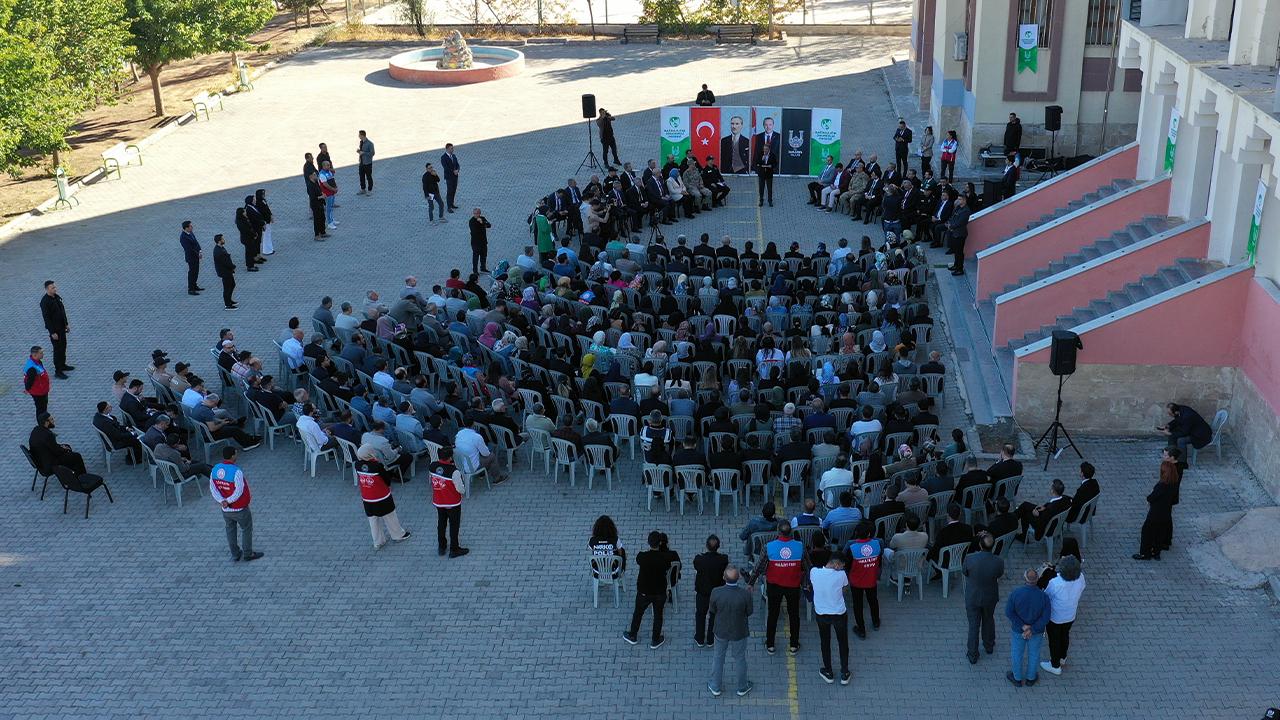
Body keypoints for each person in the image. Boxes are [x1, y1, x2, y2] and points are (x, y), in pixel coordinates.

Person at [749, 522, 805, 654]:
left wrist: (751, 582)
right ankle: (794, 645)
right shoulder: (800, 546)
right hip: (793, 585)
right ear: (790, 532)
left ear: (778, 533)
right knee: (794, 615)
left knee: (773, 614)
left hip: (774, 586)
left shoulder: (769, 547)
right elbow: (806, 565)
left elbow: (759, 567)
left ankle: (770, 644)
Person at [707, 565, 754, 697]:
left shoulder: (716, 592)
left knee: (718, 658)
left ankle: (715, 686)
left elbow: (712, 610)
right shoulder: (745, 594)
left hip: (720, 630)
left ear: (723, 577)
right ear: (739, 578)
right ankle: (742, 687)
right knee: (740, 658)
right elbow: (749, 612)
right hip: (739, 631)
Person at [355, 444, 412, 550]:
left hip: (367, 498)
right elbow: (387, 479)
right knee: (390, 517)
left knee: (373, 520)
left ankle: (378, 541)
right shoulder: (377, 466)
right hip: (382, 497)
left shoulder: (357, 465)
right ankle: (397, 535)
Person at [209, 447, 262, 562]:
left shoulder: (215, 470)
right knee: (246, 529)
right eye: (236, 454)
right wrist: (228, 501)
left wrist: (222, 501)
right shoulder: (236, 471)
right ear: (233, 456)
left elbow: (213, 489)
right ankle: (248, 553)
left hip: (225, 510)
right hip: (239, 508)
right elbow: (239, 491)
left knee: (230, 530)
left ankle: (235, 554)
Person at [623, 530, 673, 649]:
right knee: (658, 616)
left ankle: (633, 635)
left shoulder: (642, 557)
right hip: (659, 592)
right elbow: (667, 566)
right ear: (660, 543)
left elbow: (638, 560)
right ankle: (655, 640)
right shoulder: (664, 558)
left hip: (644, 592)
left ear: (648, 542)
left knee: (638, 613)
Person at [962, 532, 1005, 663]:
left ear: (980, 545)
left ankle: (973, 654)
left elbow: (965, 572)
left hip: (973, 597)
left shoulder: (969, 559)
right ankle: (989, 645)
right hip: (990, 596)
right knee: (988, 619)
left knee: (973, 625)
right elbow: (999, 574)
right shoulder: (998, 561)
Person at [809, 554, 851, 685]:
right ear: (837, 564)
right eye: (842, 565)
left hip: (821, 614)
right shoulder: (842, 575)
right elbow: (845, 589)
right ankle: (844, 672)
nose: (842, 568)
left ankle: (828, 671)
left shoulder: (814, 572)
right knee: (843, 642)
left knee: (825, 641)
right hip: (839, 613)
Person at [1005, 567, 1050, 686]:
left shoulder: (1016, 593)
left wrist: (1023, 626)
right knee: (1034, 653)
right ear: (1038, 579)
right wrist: (1032, 629)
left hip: (1018, 630)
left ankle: (1017, 678)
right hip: (1037, 632)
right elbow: (1045, 617)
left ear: (1025, 578)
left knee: (1017, 653)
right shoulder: (1043, 597)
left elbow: (1009, 612)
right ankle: (1031, 678)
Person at [1040, 555, 1085, 676]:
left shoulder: (1056, 582)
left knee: (1054, 639)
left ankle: (1055, 665)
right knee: (1065, 635)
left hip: (1055, 617)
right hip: (1070, 614)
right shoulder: (1080, 577)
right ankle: (1062, 657)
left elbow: (1046, 595)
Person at [1134, 447, 1180, 560]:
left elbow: (1152, 497)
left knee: (1147, 531)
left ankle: (1145, 553)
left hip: (1156, 512)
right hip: (1166, 511)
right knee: (1160, 532)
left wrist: (1149, 499)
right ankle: (1156, 552)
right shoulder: (1174, 482)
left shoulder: (1162, 485)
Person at [429, 444, 469, 558]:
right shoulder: (454, 471)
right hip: (452, 503)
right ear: (450, 457)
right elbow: (460, 489)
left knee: (441, 523)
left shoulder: (432, 466)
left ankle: (441, 547)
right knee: (454, 525)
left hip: (439, 501)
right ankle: (454, 549)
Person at [845, 520, 882, 638]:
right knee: (873, 601)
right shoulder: (877, 545)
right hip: (871, 580)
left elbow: (847, 565)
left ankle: (861, 629)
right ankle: (876, 622)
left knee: (858, 605)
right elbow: (879, 562)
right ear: (869, 534)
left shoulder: (853, 548)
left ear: (856, 534)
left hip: (856, 582)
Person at [694, 534, 730, 648]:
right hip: (717, 593)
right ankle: (710, 639)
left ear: (706, 546)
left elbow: (696, 566)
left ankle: (700, 639)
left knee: (700, 614)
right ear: (718, 546)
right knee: (714, 615)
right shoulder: (723, 559)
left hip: (702, 593)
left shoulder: (699, 559)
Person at [39, 280, 72, 379]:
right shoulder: (45, 302)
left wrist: (66, 324)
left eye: (55, 287)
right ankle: (58, 371)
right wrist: (52, 332)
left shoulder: (56, 297)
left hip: (62, 327)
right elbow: (47, 318)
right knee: (57, 349)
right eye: (52, 288)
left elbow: (62, 311)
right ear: (47, 289)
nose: (55, 289)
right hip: (55, 330)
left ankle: (63, 364)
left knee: (63, 346)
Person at [23, 346, 51, 418]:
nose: (43, 354)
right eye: (41, 353)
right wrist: (27, 389)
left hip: (42, 389)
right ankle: (41, 423)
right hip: (38, 392)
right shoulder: (32, 368)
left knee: (44, 406)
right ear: (35, 355)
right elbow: (29, 381)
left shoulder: (37, 361)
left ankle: (45, 419)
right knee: (40, 408)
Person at [178, 221, 204, 296]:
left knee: (196, 271)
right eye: (190, 226)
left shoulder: (191, 233)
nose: (192, 227)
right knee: (192, 272)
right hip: (191, 257)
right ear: (186, 228)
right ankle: (191, 289)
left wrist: (200, 251)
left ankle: (195, 285)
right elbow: (189, 249)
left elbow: (196, 242)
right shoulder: (183, 237)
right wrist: (198, 254)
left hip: (196, 256)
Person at [947, 195, 971, 275]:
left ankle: (960, 269)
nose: (958, 200)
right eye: (958, 198)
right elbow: (953, 217)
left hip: (960, 234)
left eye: (960, 199)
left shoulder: (966, 211)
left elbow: (960, 222)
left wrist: (951, 226)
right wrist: (949, 224)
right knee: (956, 251)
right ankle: (956, 265)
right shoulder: (958, 208)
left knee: (959, 252)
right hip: (954, 232)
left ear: (964, 200)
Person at [212, 234, 237, 310]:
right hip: (225, 272)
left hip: (227, 271)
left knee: (232, 284)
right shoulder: (219, 251)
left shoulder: (220, 248)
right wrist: (233, 266)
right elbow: (226, 262)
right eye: (222, 239)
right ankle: (227, 304)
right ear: (219, 241)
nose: (224, 240)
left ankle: (229, 300)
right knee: (227, 288)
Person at [468, 208, 492, 274]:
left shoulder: (483, 218)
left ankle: (483, 268)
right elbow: (475, 231)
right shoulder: (471, 221)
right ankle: (475, 271)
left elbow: (489, 225)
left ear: (479, 213)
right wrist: (482, 225)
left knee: (484, 255)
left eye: (477, 213)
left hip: (483, 241)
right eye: (475, 213)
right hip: (475, 243)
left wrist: (482, 222)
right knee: (475, 257)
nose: (476, 215)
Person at [440, 142, 461, 211]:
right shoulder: (443, 157)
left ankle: (452, 204)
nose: (453, 150)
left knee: (454, 190)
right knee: (450, 191)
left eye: (453, 148)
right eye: (451, 148)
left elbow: (457, 164)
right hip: (449, 177)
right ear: (447, 149)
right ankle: (449, 207)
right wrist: (453, 171)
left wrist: (457, 170)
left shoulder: (454, 156)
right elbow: (446, 167)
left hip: (455, 176)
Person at [354, 129, 375, 194]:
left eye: (359, 135)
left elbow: (372, 153)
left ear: (362, 135)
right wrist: (359, 152)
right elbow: (361, 151)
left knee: (369, 177)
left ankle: (370, 190)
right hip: (361, 163)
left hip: (368, 163)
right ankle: (363, 189)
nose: (358, 136)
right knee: (361, 176)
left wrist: (363, 153)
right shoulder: (361, 142)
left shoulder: (370, 143)